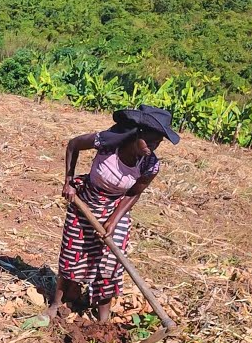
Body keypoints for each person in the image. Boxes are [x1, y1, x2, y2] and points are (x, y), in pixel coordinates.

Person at [47, 105, 179, 321]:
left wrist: (114, 220)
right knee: (73, 255)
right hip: (86, 200)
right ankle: (57, 302)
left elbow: (134, 193)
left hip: (116, 207)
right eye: (150, 141)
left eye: (158, 143)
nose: (152, 147)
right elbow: (73, 145)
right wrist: (68, 182)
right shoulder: (108, 142)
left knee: (110, 262)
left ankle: (103, 318)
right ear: (138, 133)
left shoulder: (151, 165)